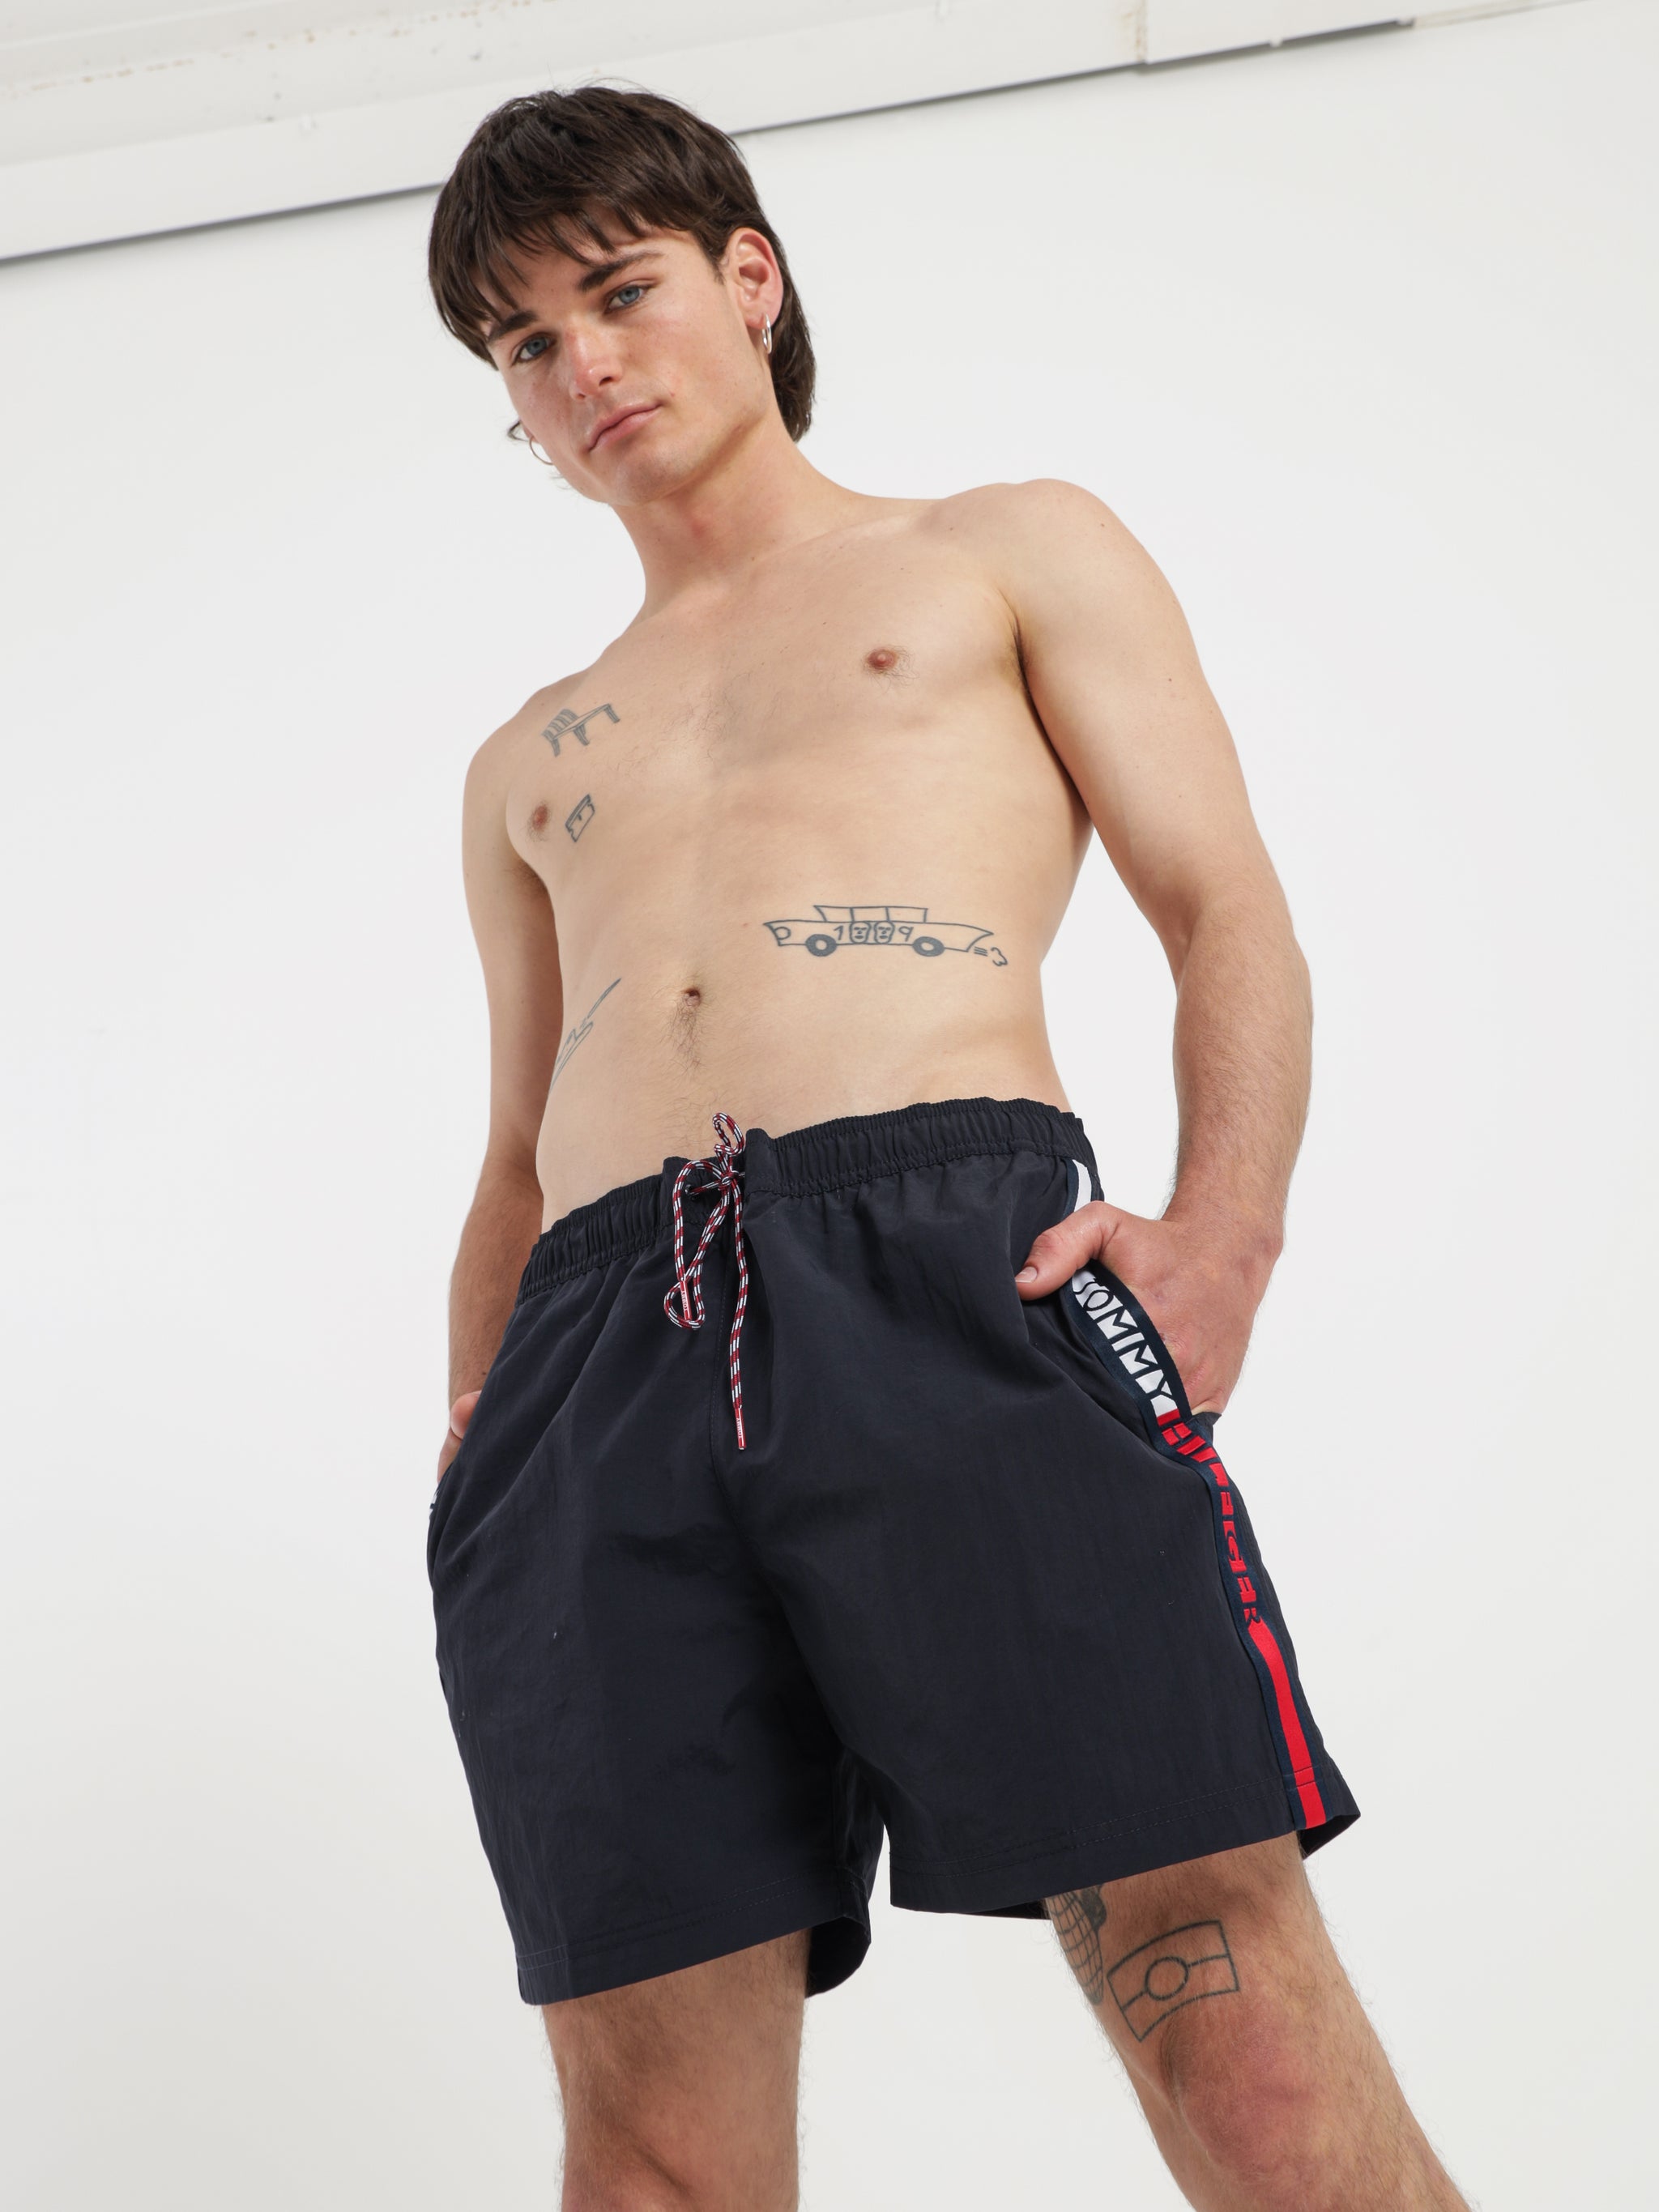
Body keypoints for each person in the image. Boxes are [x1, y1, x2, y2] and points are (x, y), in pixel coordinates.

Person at [423, 83, 1466, 2212]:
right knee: (648, 2150)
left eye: (619, 291)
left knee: (1219, 1999)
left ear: (749, 277)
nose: (585, 362)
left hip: (947, 1257)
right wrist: (482, 1439)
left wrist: (1227, 1236)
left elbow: (1224, 906)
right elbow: (517, 1149)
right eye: (528, 341)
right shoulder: (529, 753)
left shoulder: (1000, 550)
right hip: (596, 1355)